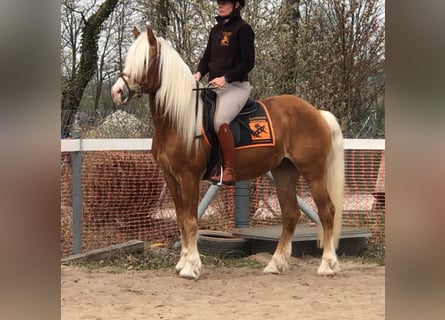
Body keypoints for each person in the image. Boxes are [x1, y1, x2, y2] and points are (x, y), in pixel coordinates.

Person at [194, 0, 255, 185]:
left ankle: (229, 169)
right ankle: (210, 163)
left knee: (220, 120)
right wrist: (198, 74)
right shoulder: (215, 30)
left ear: (236, 4)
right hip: (215, 86)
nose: (219, 5)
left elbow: (248, 62)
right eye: (218, 2)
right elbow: (206, 59)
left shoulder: (244, 29)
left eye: (224, 2)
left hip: (236, 86)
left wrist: (225, 78)